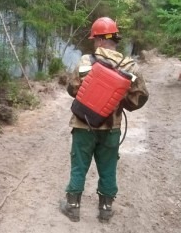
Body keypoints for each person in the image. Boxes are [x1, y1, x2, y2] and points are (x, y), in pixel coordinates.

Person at [59, 17, 149, 223]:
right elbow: (141, 97)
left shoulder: (85, 62)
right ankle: (106, 210)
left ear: (99, 41)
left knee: (79, 165)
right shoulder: (130, 67)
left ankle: (73, 207)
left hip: (83, 124)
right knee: (108, 167)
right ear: (114, 40)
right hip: (112, 127)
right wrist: (119, 100)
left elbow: (72, 89)